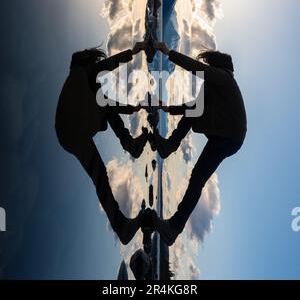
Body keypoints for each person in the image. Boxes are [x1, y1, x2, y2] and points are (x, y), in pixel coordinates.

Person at [149, 42, 247, 246]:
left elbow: (197, 68)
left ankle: (173, 228)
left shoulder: (224, 78)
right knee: (194, 109)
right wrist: (168, 108)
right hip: (225, 133)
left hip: (229, 136)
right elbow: (192, 106)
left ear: (219, 67)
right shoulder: (215, 87)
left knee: (197, 179)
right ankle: (168, 147)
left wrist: (168, 52)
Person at [55, 42, 148, 245]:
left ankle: (122, 227)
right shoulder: (83, 73)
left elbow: (104, 101)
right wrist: (133, 51)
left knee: (100, 177)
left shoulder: (76, 83)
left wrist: (130, 109)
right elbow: (109, 64)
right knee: (106, 106)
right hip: (75, 127)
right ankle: (131, 145)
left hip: (66, 136)